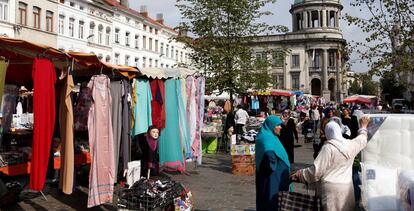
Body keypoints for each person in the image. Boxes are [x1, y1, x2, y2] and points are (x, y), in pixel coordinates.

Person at [290, 116, 370, 211]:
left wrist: (301, 174)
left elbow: (316, 171)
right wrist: (363, 126)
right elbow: (362, 139)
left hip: (330, 188)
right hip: (347, 187)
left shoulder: (328, 148)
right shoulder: (350, 144)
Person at [256, 115, 290, 210]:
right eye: (278, 125)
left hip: (276, 176)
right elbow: (269, 152)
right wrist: (273, 166)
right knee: (271, 200)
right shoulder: (266, 137)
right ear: (271, 125)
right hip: (272, 177)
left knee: (277, 200)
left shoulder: (271, 136)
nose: (280, 127)